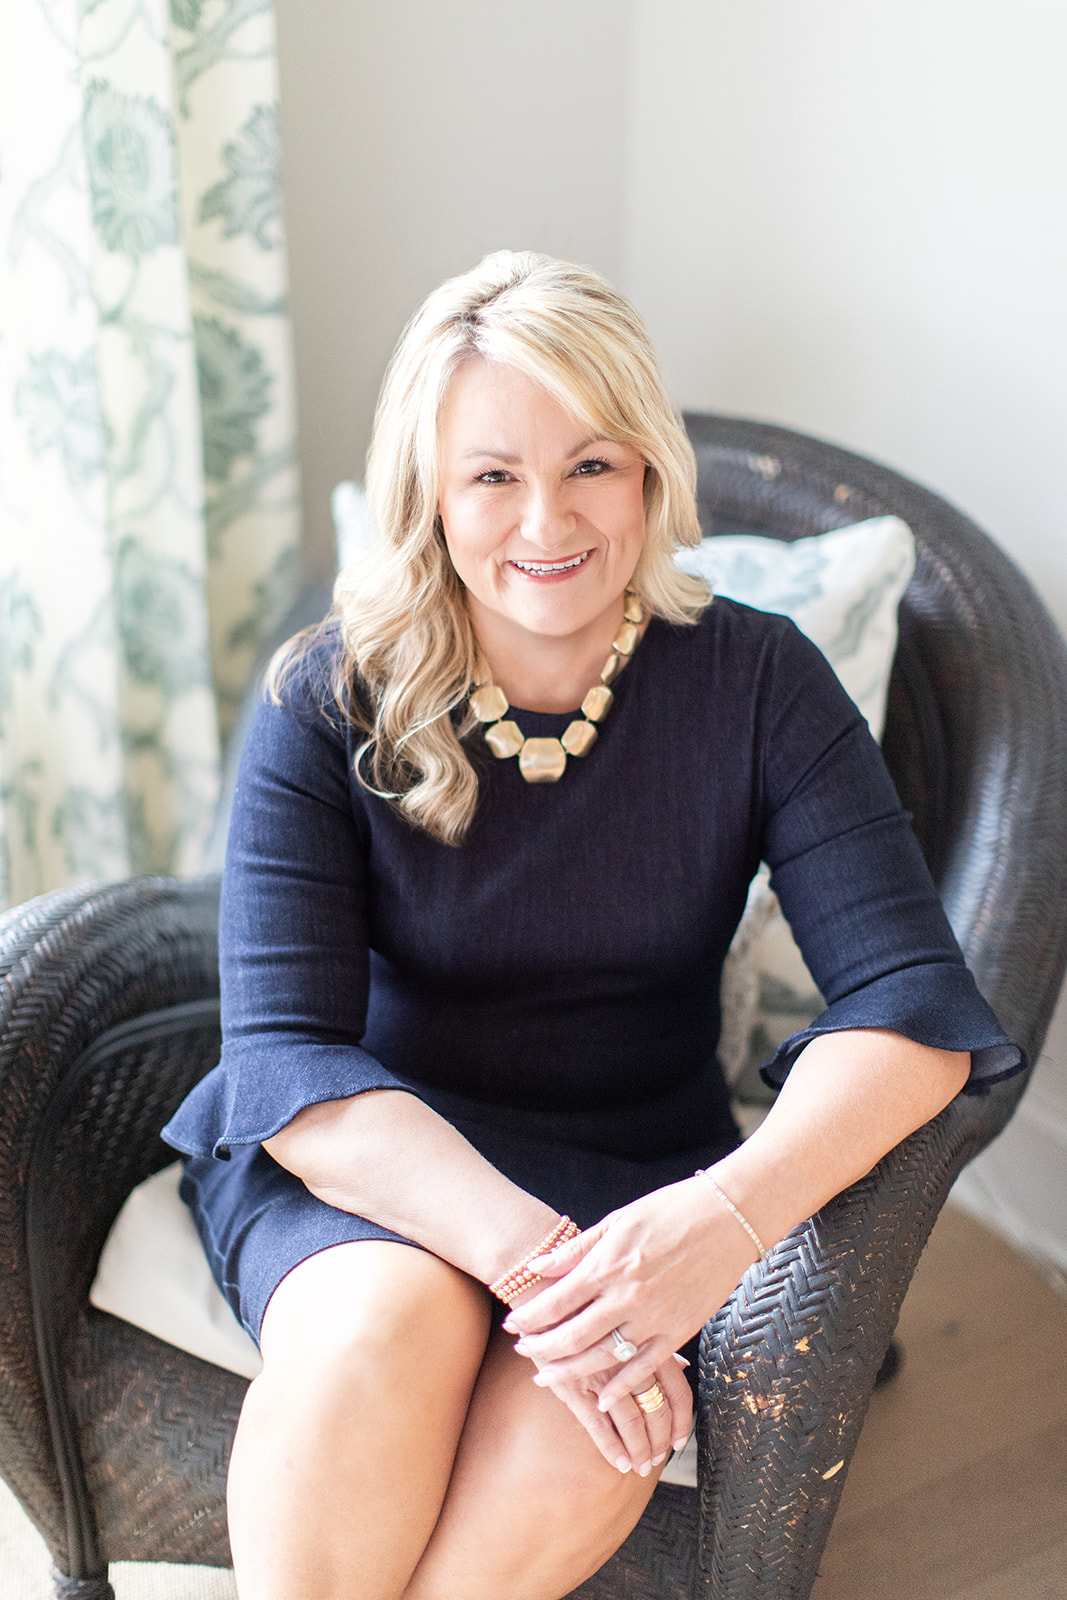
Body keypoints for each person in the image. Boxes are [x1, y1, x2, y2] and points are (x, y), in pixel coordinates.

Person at [163, 250, 1022, 1600]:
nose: (547, 519)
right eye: (493, 475)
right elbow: (286, 1065)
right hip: (377, 1159)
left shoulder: (756, 680)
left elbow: (913, 1015)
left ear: (650, 474)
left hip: (634, 1174)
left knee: (586, 1444)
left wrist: (714, 1228)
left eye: (593, 465)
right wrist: (536, 1269)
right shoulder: (326, 697)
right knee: (386, 1324)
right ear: (430, 497)